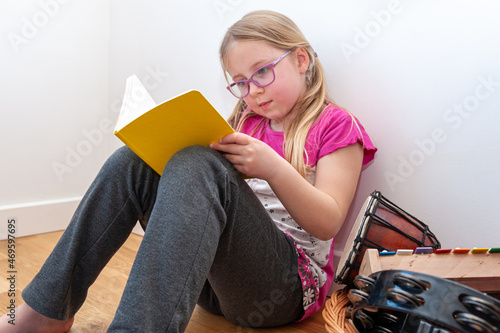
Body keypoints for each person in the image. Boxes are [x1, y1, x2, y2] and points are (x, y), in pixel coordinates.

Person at [0, 9, 376, 333]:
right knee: (131, 161)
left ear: (301, 60)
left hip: (284, 289)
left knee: (200, 164)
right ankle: (46, 310)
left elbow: (327, 223)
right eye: (241, 83)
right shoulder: (247, 122)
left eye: (262, 72)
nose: (253, 91)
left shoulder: (336, 125)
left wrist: (272, 167)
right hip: (212, 282)